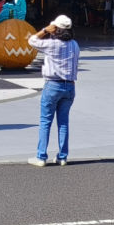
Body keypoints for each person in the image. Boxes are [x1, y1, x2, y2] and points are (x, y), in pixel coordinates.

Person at [27, 14, 80, 167]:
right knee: (63, 122)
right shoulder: (75, 45)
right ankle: (62, 156)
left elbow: (31, 40)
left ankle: (41, 156)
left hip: (53, 85)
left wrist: (44, 30)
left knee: (45, 121)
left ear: (56, 29)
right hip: (70, 85)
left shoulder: (51, 44)